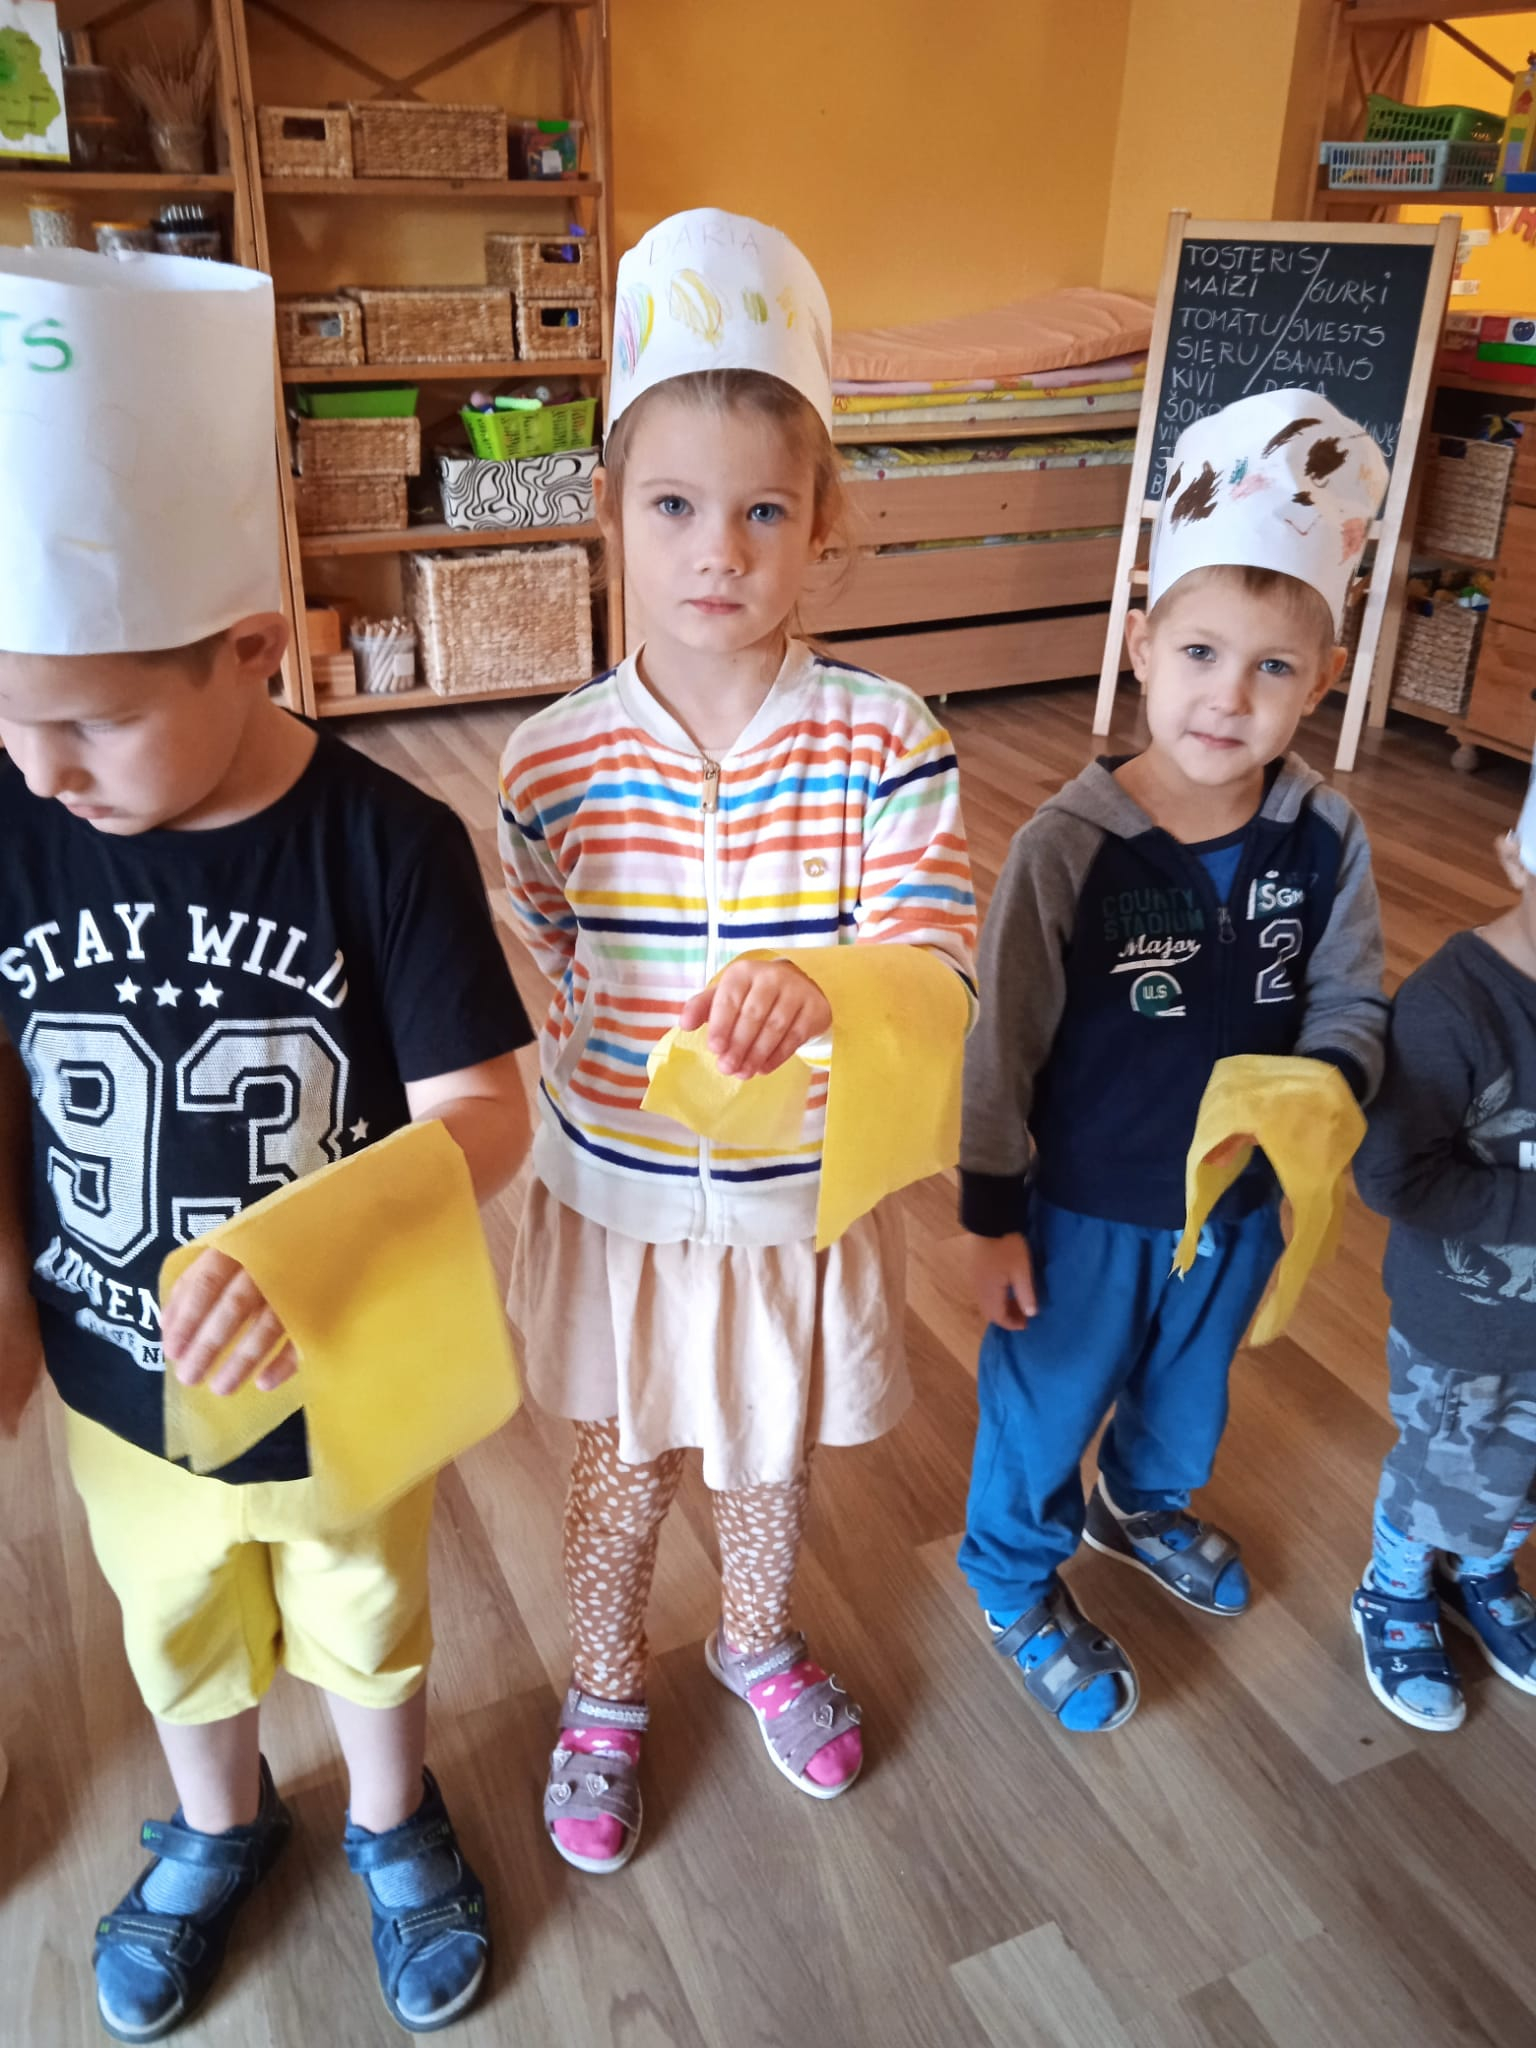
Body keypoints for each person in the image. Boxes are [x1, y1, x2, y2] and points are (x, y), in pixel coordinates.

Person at [0, 249, 534, 2039]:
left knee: (364, 1608)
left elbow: (486, 1116)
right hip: (114, 1366)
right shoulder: (14, 815)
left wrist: (311, 1254)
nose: (41, 765)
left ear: (251, 645)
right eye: (4, 710)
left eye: (89, 719)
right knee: (175, 1620)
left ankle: (390, 1813)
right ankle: (219, 1824)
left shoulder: (388, 844)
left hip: (342, 1369)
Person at [497, 208, 976, 1871]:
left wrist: (829, 986)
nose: (720, 549)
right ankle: (605, 1685)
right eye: (676, 506)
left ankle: (754, 1636)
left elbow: (933, 948)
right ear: (613, 512)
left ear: (820, 522)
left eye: (764, 509)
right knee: (620, 1464)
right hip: (623, 1195)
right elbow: (551, 940)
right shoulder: (552, 758)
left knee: (766, 1460)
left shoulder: (886, 740)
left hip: (790, 1200)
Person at [957, 390, 1390, 1732]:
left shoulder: (1327, 836)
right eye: (1201, 651)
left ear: (1322, 679)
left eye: (1273, 668)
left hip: (1239, 1204)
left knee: (1189, 1392)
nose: (1230, 696)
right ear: (1143, 645)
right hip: (1085, 1208)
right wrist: (989, 1212)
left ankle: (1139, 1503)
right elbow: (1002, 1038)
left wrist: (1324, 1094)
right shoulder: (1068, 846)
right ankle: (1011, 1574)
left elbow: (1349, 998)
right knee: (1046, 1402)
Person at [1350, 803, 1536, 1731]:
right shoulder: (1450, 1005)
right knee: (1445, 1467)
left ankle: (1484, 1568)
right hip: (1465, 1323)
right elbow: (1393, 1176)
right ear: (1516, 858)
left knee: (1522, 1470)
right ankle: (1393, 1585)